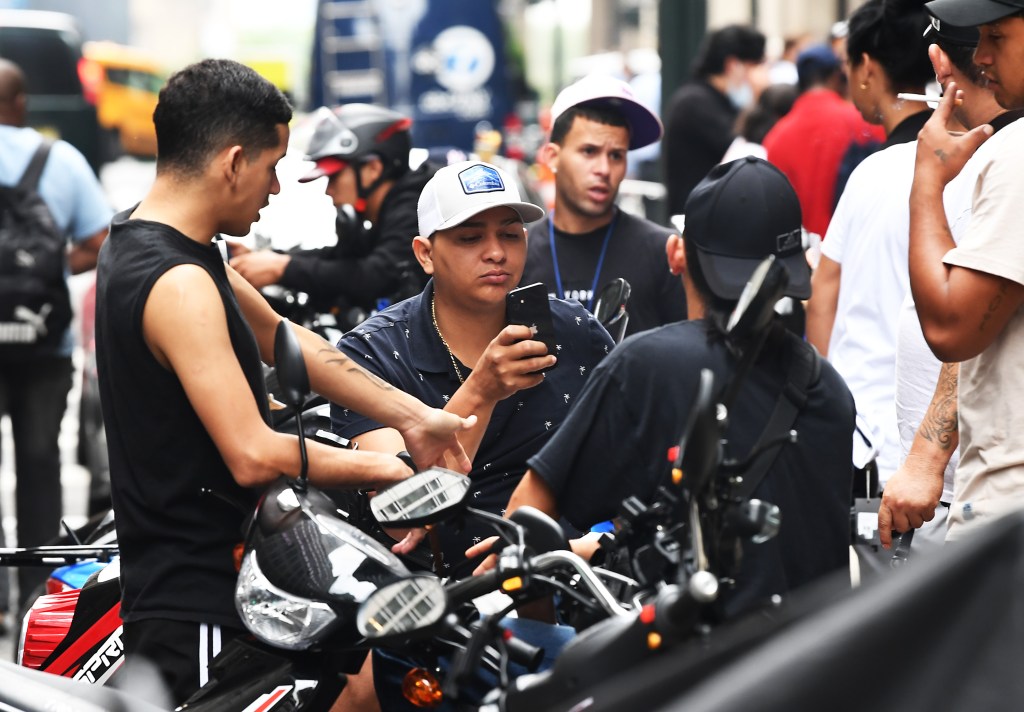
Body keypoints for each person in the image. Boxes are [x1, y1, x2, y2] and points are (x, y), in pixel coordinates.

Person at [94, 59, 473, 706]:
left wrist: (415, 417)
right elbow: (251, 455)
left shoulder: (162, 243)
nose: (274, 188)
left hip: (216, 586)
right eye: (271, 167)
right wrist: (388, 472)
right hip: (196, 602)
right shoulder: (177, 283)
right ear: (232, 161)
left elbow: (283, 337)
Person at [490, 157, 855, 618]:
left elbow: (527, 522)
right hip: (823, 666)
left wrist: (543, 639)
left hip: (690, 673)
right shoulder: (829, 387)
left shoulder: (646, 366)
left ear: (677, 254)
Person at [329, 160, 613, 710]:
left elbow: (634, 473)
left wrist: (586, 543)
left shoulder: (576, 332)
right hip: (440, 621)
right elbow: (402, 509)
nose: (496, 252)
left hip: (577, 590)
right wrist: (480, 390)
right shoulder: (371, 354)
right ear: (424, 253)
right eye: (470, 237)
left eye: (510, 233)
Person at [879, 12, 1024, 548]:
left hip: (1008, 518)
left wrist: (928, 179)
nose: (982, 55)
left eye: (997, 36)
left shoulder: (1019, 153)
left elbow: (949, 326)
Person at [804, 0, 934, 488]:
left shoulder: (872, 174)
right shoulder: (976, 161)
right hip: (944, 443)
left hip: (866, 435)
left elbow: (823, 294)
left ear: (866, 69)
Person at [0, 58, 112, 618]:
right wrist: (42, 271)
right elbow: (98, 241)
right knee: (39, 467)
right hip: (44, 346)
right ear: (21, 105)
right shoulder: (59, 159)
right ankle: (32, 603)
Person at [229, 103, 434, 323]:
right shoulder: (388, 210)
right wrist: (272, 257)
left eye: (334, 177)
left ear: (373, 168)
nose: (328, 190)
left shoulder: (419, 205)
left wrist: (283, 268)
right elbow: (345, 258)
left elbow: (376, 274)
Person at [520, 74, 687, 338]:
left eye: (616, 155)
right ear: (552, 157)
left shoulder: (662, 252)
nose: (604, 169)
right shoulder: (517, 255)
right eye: (589, 151)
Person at [763, 43, 881, 239]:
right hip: (850, 249)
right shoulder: (863, 123)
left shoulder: (776, 136)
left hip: (797, 255)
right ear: (837, 76)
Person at [664, 25, 766, 214]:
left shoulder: (711, 100)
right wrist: (762, 97)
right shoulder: (696, 103)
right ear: (733, 65)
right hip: (698, 224)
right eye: (754, 67)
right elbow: (750, 155)